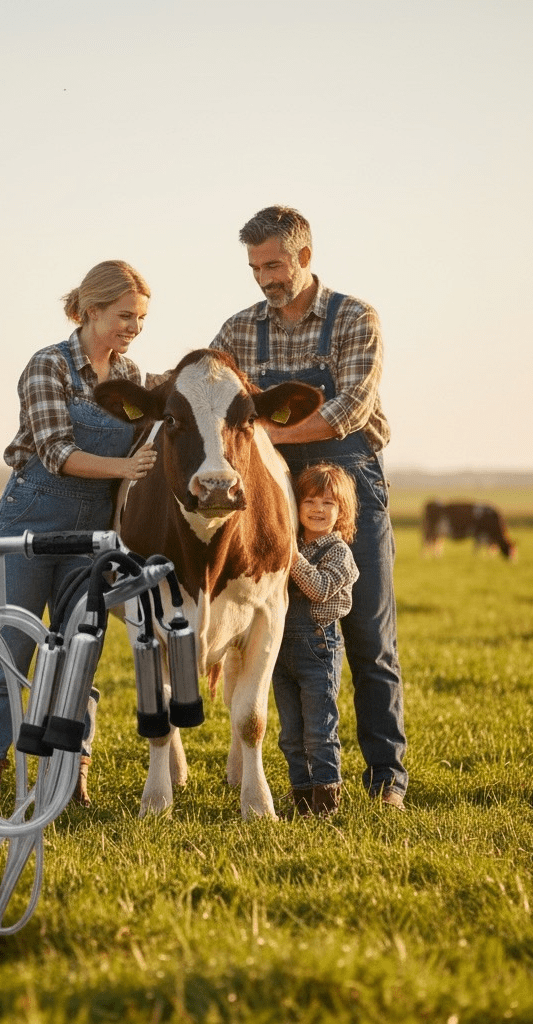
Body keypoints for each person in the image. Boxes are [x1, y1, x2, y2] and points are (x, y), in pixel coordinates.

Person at [210, 205, 408, 809]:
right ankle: (301, 777)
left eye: (274, 264)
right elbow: (210, 389)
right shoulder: (239, 329)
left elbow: (348, 408)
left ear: (305, 256)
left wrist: (261, 435)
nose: (264, 277)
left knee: (366, 634)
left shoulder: (354, 318)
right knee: (279, 637)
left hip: (348, 485)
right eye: (254, 267)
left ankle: (386, 780)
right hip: (272, 497)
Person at [0, 260, 158, 813]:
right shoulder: (48, 366)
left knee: (82, 647)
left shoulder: (132, 378)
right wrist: (125, 470)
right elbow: (55, 453)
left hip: (95, 533)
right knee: (12, 649)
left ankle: (70, 774)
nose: (134, 328)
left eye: (142, 319)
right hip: (31, 518)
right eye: (125, 316)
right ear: (92, 309)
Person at [274, 464, 359, 818]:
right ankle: (303, 803)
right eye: (309, 500)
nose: (318, 509)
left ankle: (327, 807)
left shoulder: (338, 553)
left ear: (342, 513)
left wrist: (291, 555)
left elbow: (320, 589)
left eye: (328, 502)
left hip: (317, 650)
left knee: (319, 733)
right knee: (290, 735)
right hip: (280, 652)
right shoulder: (289, 542)